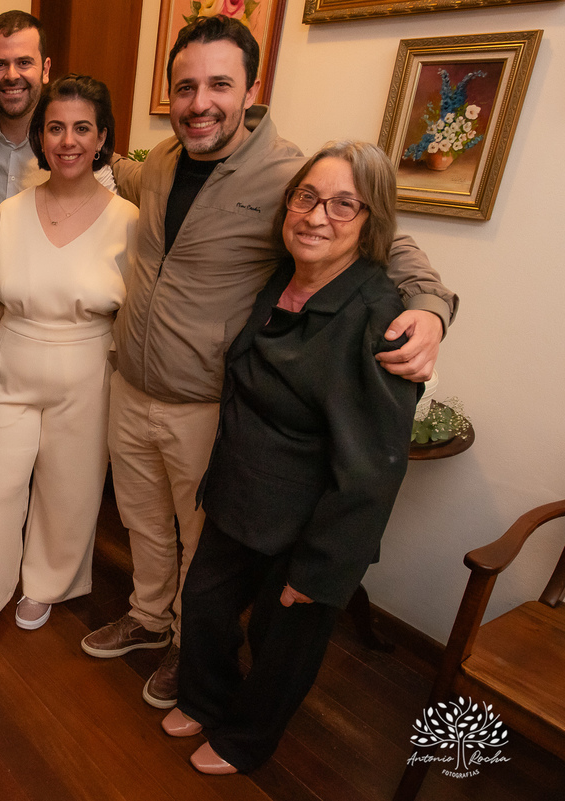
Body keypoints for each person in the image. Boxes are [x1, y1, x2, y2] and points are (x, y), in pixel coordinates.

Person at [80, 14, 457, 712]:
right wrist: (89, 156)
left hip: (204, 399)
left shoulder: (288, 172)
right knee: (140, 518)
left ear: (252, 89)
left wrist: (432, 306)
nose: (200, 102)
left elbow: (386, 243)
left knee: (201, 543)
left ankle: (189, 648)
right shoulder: (160, 162)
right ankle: (147, 612)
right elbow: (125, 175)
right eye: (186, 87)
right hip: (130, 383)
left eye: (219, 84)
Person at [161, 141, 421, 775]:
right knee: (206, 606)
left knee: (281, 644)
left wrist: (322, 568)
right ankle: (205, 697)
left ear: (371, 221)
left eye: (342, 205)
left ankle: (247, 739)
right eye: (307, 197)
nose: (317, 216)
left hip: (310, 521)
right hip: (239, 494)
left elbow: (375, 465)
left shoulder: (379, 315)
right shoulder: (282, 276)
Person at [0, 75, 138, 628]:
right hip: (11, 367)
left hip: (88, 373)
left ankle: (46, 582)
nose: (68, 141)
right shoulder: (9, 213)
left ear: (102, 136)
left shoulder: (129, 221)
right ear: (41, 135)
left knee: (71, 489)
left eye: (82, 128)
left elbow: (138, 318)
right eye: (56, 127)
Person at [0, 10, 114, 205]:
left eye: (24, 63)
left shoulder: (72, 150)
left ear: (45, 69)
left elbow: (108, 221)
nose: (11, 76)